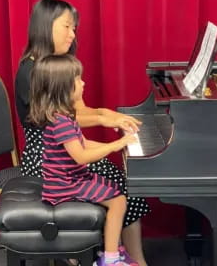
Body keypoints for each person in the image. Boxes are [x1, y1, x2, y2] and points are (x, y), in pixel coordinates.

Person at [15, 0, 150, 266]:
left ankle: (124, 255)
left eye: (74, 28)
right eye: (67, 26)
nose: (72, 34)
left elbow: (80, 111)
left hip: (66, 151)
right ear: (46, 26)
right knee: (121, 182)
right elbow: (61, 120)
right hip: (46, 159)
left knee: (125, 181)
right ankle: (103, 256)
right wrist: (103, 117)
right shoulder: (30, 72)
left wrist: (104, 115)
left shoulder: (60, 64)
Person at [29, 54, 137, 266]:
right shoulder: (61, 122)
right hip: (64, 185)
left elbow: (84, 143)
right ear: (64, 88)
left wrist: (121, 145)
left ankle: (114, 249)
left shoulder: (62, 116)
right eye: (78, 80)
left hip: (71, 178)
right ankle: (111, 258)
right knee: (118, 201)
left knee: (114, 187)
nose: (83, 83)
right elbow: (81, 155)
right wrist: (114, 146)